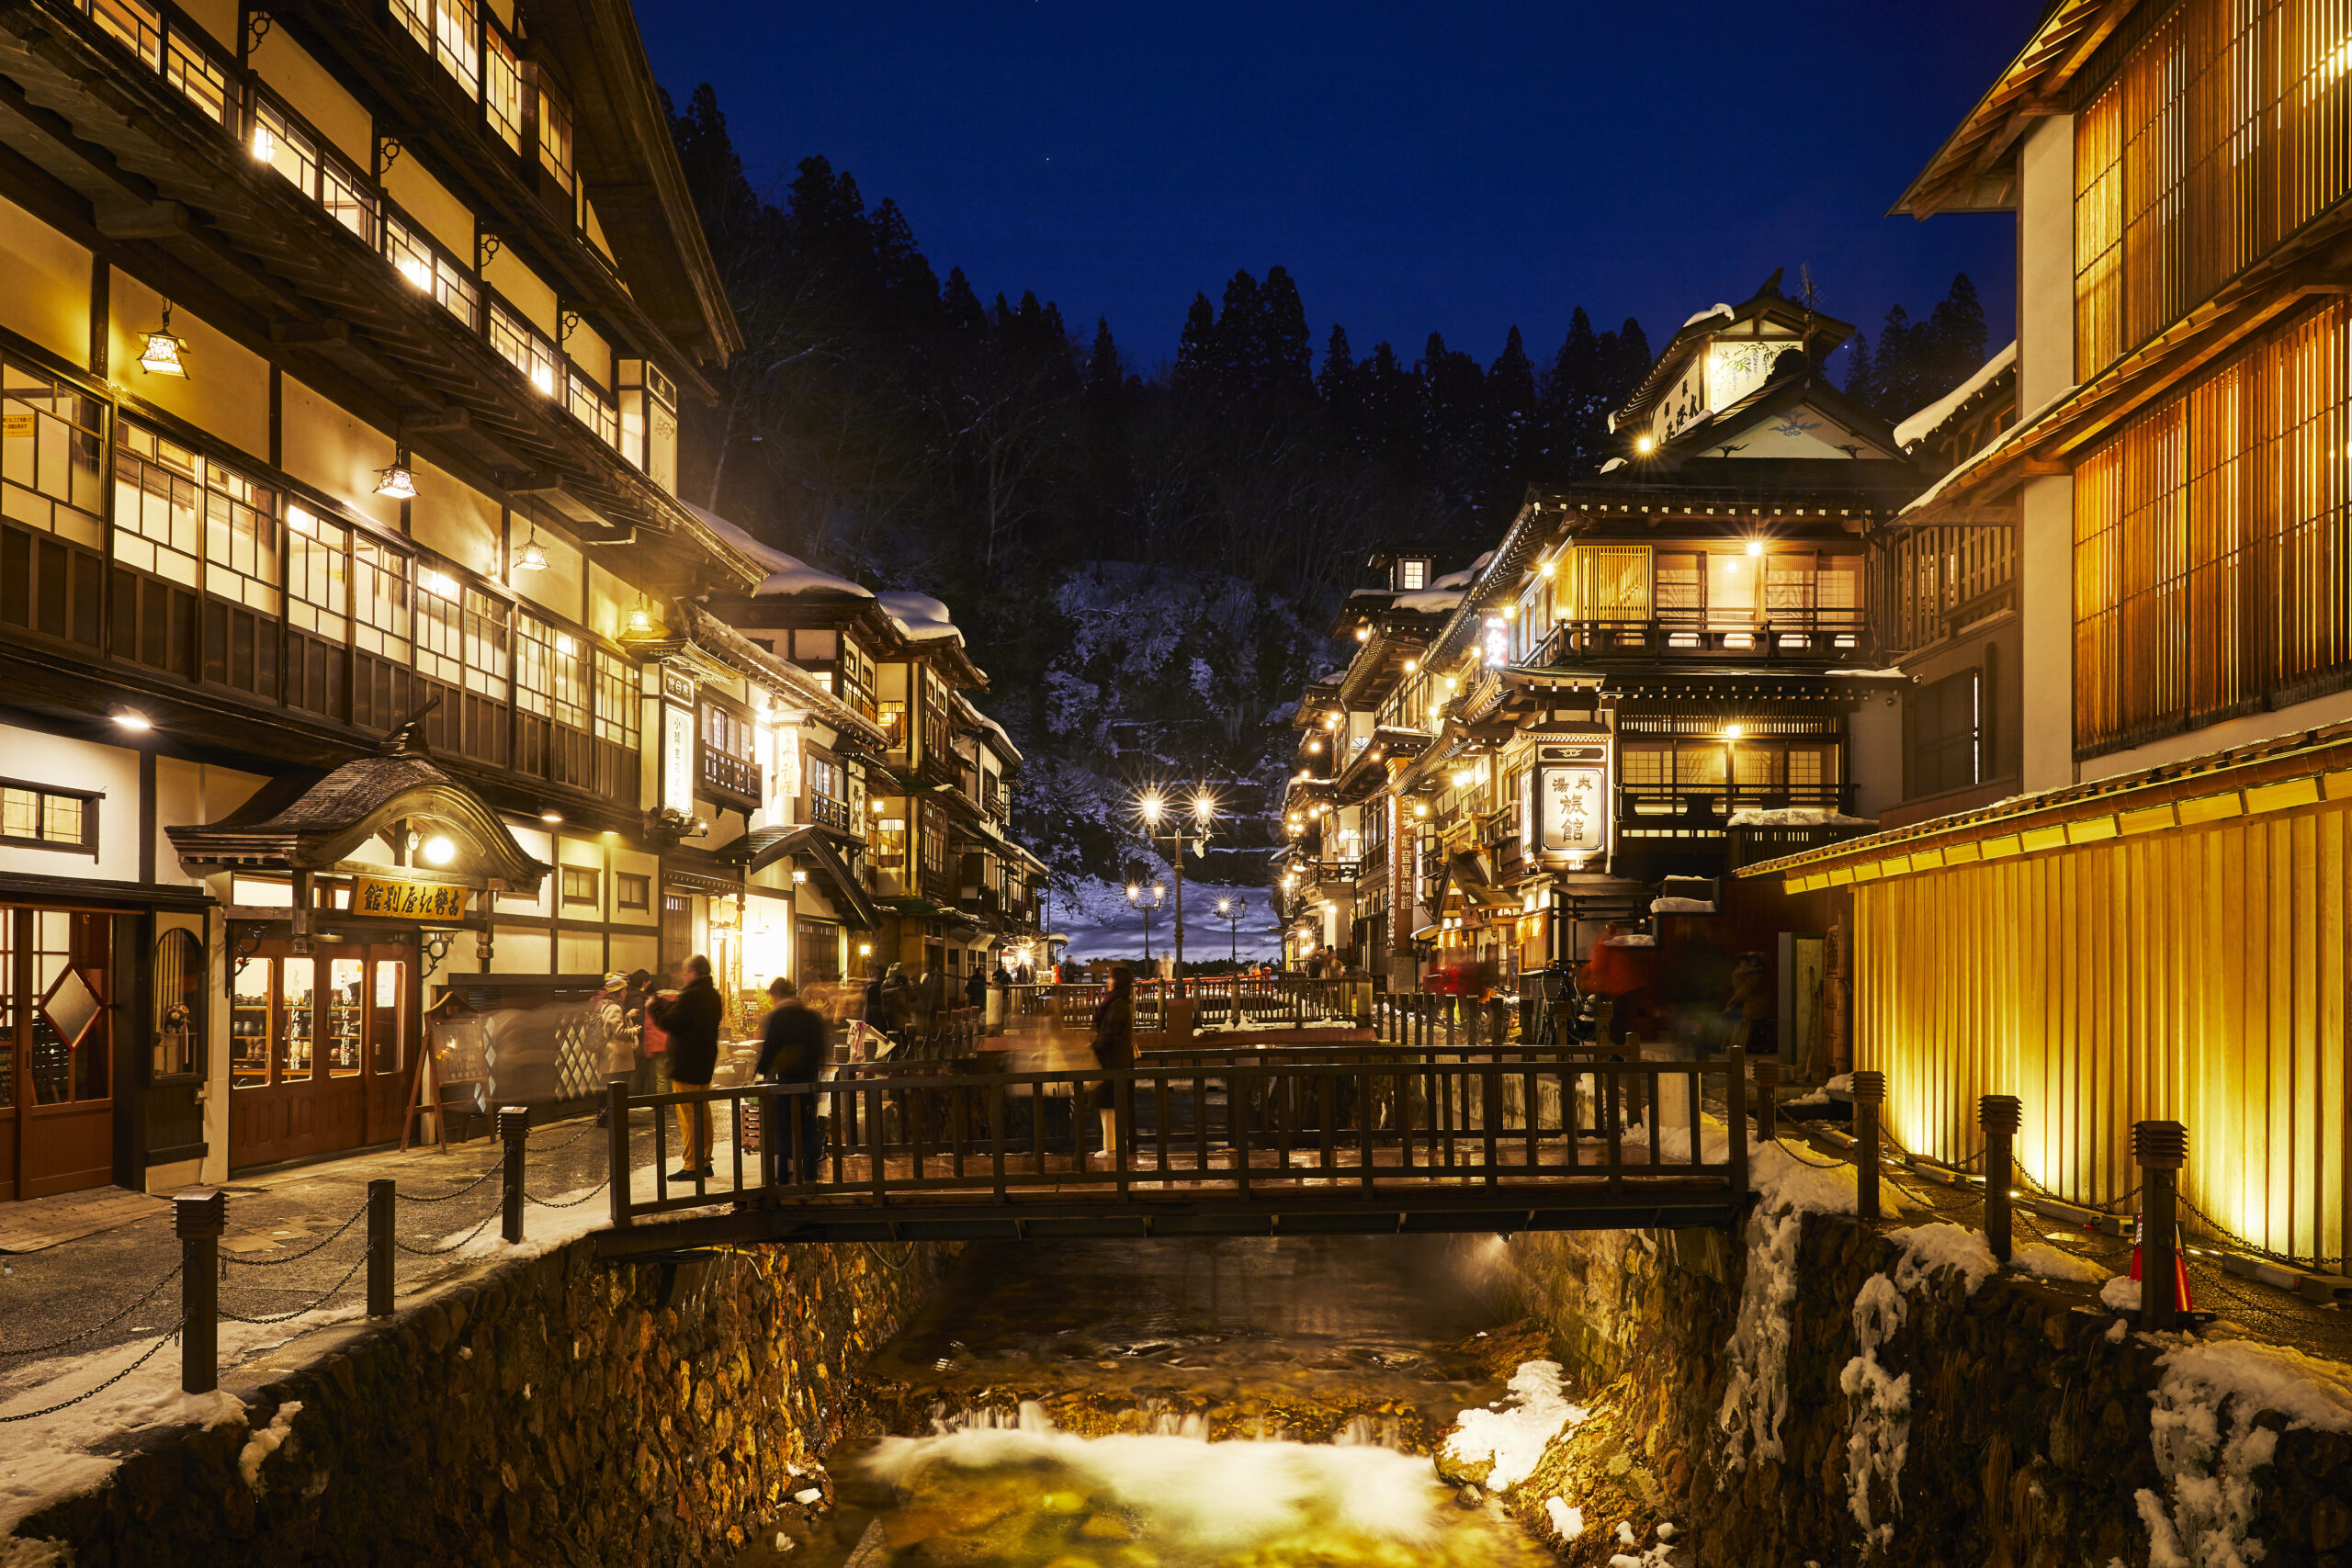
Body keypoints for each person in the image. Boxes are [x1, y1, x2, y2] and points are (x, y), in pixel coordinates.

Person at [647, 955, 722, 1179]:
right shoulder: (713, 995)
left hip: (686, 1063)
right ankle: (705, 1161)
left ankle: (692, 1165)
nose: (682, 974)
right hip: (704, 1062)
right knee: (703, 1113)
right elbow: (686, 1015)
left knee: (688, 1116)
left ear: (692, 971)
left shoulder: (690, 995)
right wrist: (666, 1005)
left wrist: (653, 1008)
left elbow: (670, 1022)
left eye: (684, 970)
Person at [754, 976, 829, 1181]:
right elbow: (820, 1048)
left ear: (777, 995)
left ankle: (782, 1178)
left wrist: (759, 1071)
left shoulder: (778, 1017)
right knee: (807, 1126)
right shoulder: (811, 1017)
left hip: (786, 1081)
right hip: (808, 1080)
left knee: (785, 1127)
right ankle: (810, 1175)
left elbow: (769, 1048)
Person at [1088, 964, 1136, 1165]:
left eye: (1111, 978)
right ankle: (1113, 1146)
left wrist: (1093, 1047)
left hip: (1112, 1061)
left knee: (1108, 1104)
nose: (1108, 981)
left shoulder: (1117, 1004)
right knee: (1110, 1104)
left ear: (1119, 981)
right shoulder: (1119, 1002)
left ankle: (1112, 1148)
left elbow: (1110, 1032)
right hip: (1116, 1060)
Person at [591, 972, 639, 1127]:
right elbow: (619, 1033)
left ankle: (605, 1118)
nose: (626, 993)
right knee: (615, 1091)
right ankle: (611, 1119)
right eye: (624, 990)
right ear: (619, 992)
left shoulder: (606, 1006)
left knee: (607, 1090)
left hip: (611, 1057)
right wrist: (635, 1031)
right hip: (616, 1058)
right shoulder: (615, 1008)